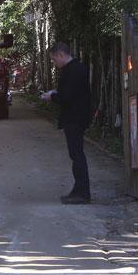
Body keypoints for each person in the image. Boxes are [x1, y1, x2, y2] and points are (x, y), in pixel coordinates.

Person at [41, 42, 92, 204]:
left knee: (77, 155)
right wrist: (56, 93)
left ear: (61, 55)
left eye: (54, 59)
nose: (55, 63)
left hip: (75, 118)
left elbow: (67, 96)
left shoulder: (74, 70)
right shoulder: (74, 69)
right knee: (75, 154)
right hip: (75, 117)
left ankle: (82, 193)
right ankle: (78, 190)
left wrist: (52, 96)